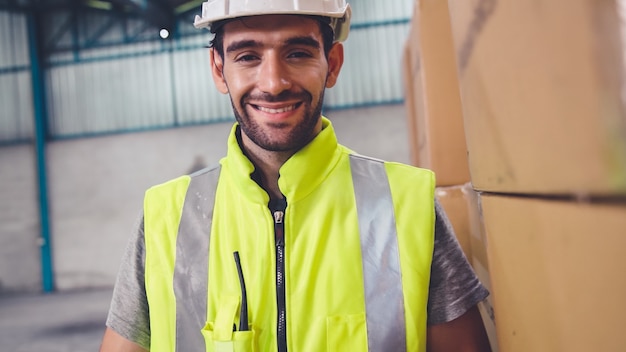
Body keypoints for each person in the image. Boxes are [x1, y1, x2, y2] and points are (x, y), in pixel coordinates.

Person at [99, 0, 491, 351]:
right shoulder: (165, 217)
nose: (273, 83)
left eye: (298, 53)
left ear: (332, 64)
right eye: (248, 56)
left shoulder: (406, 205)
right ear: (219, 70)